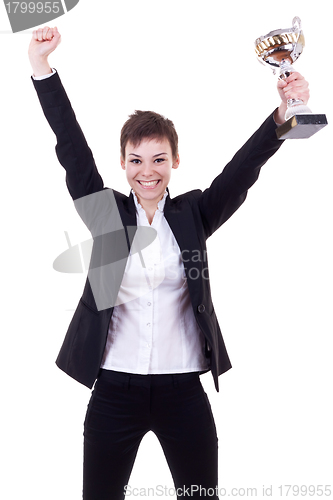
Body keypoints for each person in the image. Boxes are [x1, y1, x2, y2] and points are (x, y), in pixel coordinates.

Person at [28, 26, 310, 500]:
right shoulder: (107, 216)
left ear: (175, 160)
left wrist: (283, 115)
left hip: (184, 392)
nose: (147, 171)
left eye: (159, 159)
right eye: (136, 160)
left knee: (200, 497)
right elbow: (72, 151)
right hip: (114, 389)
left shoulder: (194, 214)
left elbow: (242, 172)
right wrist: (42, 70)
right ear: (123, 164)